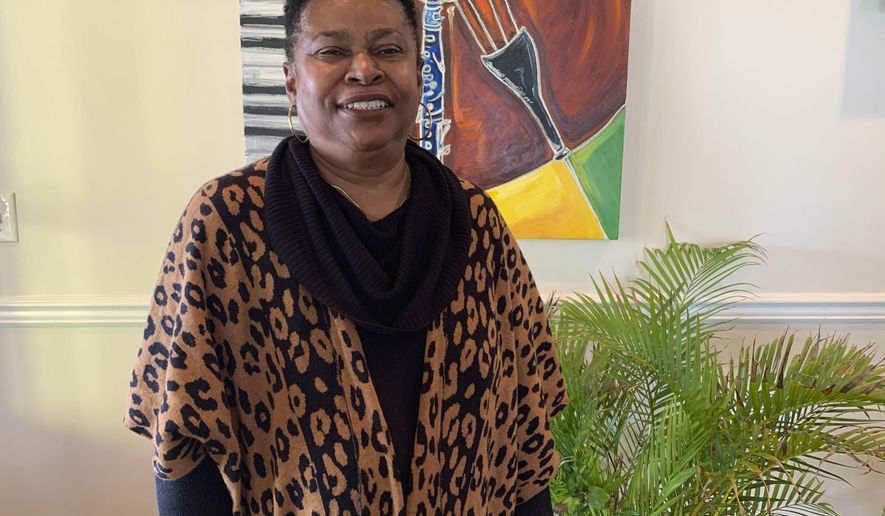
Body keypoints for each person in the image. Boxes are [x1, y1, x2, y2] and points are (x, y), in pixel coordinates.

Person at [124, 0, 568, 514]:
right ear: (292, 80)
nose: (364, 69)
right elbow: (184, 445)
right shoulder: (226, 225)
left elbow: (525, 436)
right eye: (332, 50)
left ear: (418, 74)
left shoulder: (474, 225)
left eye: (388, 49)